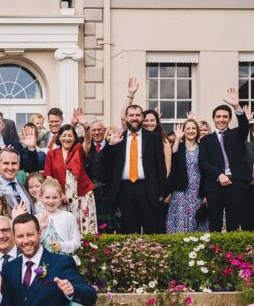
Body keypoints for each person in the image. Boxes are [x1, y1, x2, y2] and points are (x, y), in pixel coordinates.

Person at [101, 90, 167, 234]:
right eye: (131, 115)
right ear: (126, 118)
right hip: (125, 189)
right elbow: (105, 163)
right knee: (129, 229)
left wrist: (162, 190)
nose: (135, 118)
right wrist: (111, 145)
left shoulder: (153, 137)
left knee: (151, 228)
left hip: (147, 187)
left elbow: (160, 165)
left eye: (138, 115)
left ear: (142, 117)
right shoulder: (119, 137)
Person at [198, 91, 250, 233]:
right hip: (214, 186)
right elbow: (203, 162)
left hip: (236, 184)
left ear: (229, 119)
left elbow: (245, 126)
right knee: (215, 224)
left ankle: (232, 255)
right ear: (213, 119)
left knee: (233, 224)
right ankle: (216, 253)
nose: (221, 119)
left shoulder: (237, 134)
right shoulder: (205, 140)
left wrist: (236, 106)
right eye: (218, 116)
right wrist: (219, 175)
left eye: (225, 117)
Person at [42, 123, 97, 234]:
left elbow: (87, 142)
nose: (67, 138)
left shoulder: (78, 149)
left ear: (74, 138)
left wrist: (86, 127)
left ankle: (87, 249)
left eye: (70, 136)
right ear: (60, 137)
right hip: (62, 197)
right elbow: (48, 177)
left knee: (86, 229)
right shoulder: (51, 154)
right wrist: (60, 193)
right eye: (64, 135)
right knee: (64, 228)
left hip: (82, 194)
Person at [166, 119, 206, 233]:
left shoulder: (202, 147)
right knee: (181, 222)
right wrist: (177, 139)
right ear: (184, 131)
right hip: (181, 191)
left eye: (193, 128)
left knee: (197, 219)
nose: (190, 131)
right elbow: (173, 155)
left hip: (198, 191)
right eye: (188, 128)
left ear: (197, 131)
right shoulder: (179, 146)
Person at [36, 180, 81, 254]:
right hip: (43, 262)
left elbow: (77, 242)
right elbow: (33, 243)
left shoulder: (68, 217)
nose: (51, 201)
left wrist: (62, 246)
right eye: (47, 197)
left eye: (55, 197)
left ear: (60, 197)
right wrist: (40, 228)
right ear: (40, 197)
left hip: (63, 260)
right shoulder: (37, 218)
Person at [0, 149, 36, 213]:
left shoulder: (25, 185)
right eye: (6, 163)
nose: (10, 167)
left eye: (14, 163)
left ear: (19, 165)